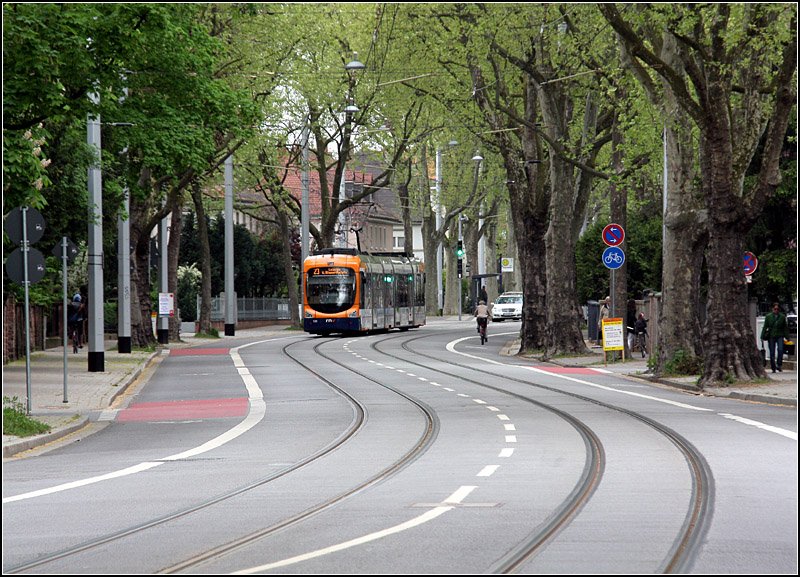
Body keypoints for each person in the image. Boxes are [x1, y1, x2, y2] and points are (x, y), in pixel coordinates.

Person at [761, 302, 787, 373]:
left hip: (780, 335)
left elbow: (785, 327)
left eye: (777, 309)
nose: (776, 310)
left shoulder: (782, 317)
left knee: (781, 350)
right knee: (772, 352)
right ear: (772, 309)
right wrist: (762, 336)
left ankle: (779, 365)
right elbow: (765, 326)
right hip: (771, 336)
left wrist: (787, 337)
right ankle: (773, 367)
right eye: (775, 309)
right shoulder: (768, 316)